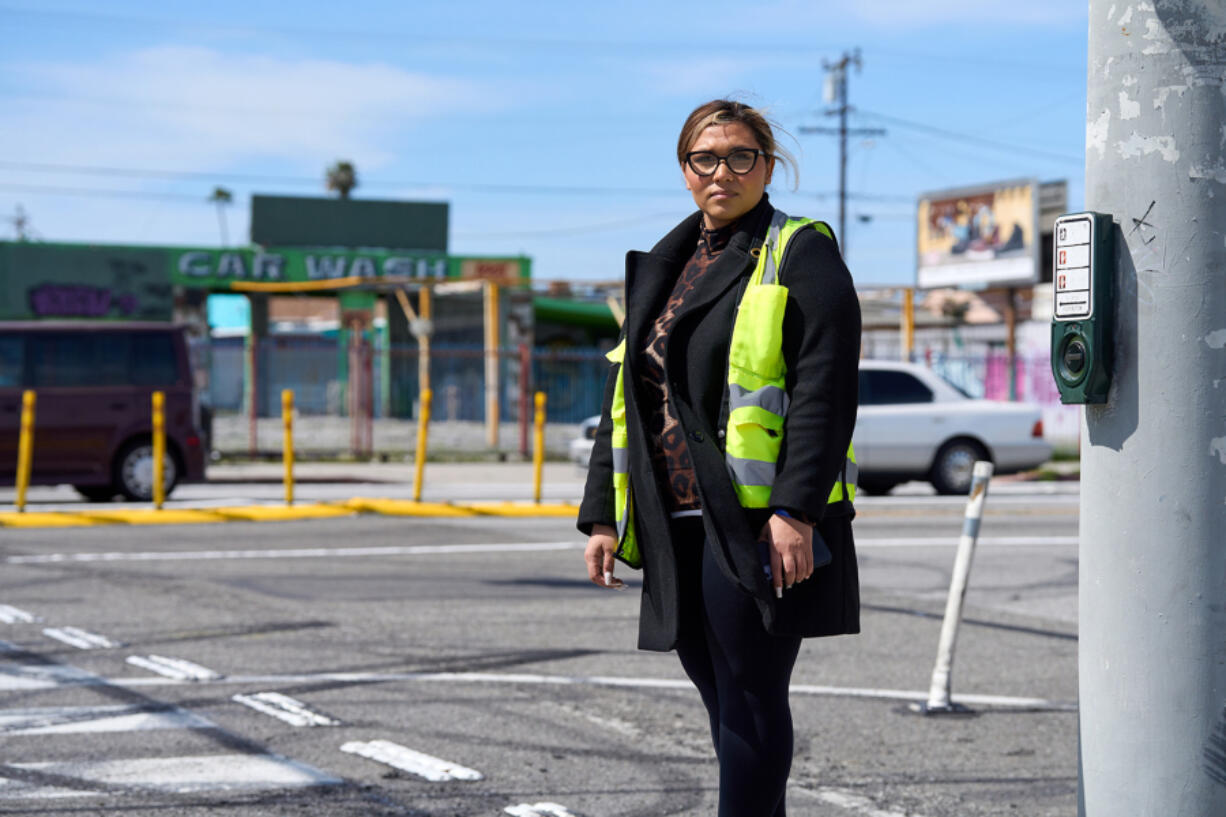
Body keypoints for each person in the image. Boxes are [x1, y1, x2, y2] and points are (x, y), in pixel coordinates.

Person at [577, 99, 861, 817]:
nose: (723, 171)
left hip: (753, 520)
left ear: (768, 166)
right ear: (685, 170)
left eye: (741, 156)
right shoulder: (666, 266)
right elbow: (627, 399)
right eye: (707, 158)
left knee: (752, 693)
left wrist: (796, 510)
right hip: (672, 516)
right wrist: (603, 516)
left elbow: (824, 390)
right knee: (722, 695)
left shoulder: (800, 251)